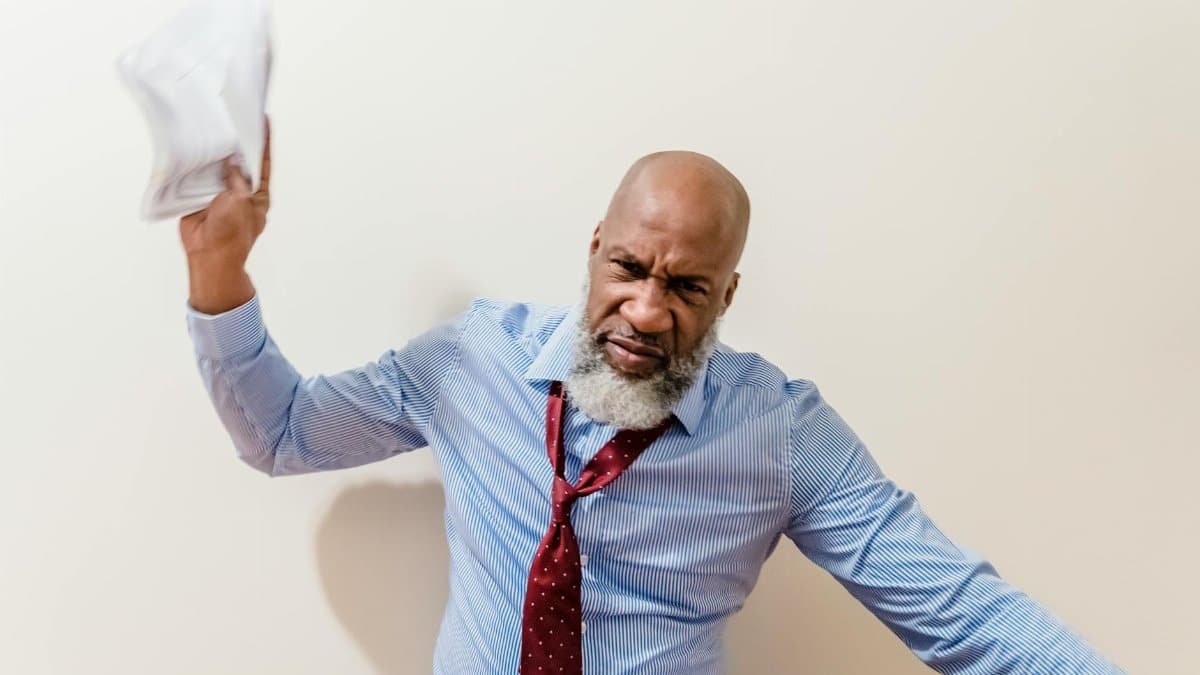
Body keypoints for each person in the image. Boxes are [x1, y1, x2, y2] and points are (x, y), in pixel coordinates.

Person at [181, 123, 1123, 674]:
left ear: (728, 295)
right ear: (595, 247)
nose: (645, 309)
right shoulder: (472, 361)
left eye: (686, 287)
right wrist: (218, 272)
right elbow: (283, 431)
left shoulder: (782, 435)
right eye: (630, 267)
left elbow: (962, 610)